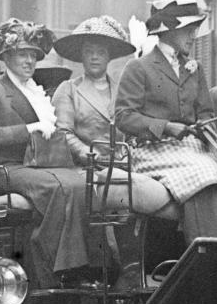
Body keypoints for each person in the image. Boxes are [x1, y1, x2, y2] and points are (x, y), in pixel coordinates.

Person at [0, 18, 91, 282]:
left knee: (81, 184)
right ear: (6, 57)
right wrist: (27, 129)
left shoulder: (34, 92)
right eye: (22, 55)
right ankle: (46, 266)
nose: (29, 61)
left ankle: (77, 264)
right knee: (56, 187)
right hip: (1, 168)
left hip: (35, 165)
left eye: (33, 56)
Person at [112, 0, 217, 241]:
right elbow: (123, 117)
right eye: (188, 30)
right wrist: (167, 128)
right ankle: (208, 257)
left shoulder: (195, 68)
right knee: (206, 174)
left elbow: (205, 113)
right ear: (169, 32)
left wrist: (208, 131)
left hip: (190, 148)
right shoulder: (138, 68)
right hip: (150, 149)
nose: (193, 36)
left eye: (195, 29)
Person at [51, 15, 176, 218]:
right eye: (89, 52)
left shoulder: (123, 90)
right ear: (81, 56)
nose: (94, 57)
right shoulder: (69, 90)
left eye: (100, 52)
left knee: (170, 186)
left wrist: (134, 145)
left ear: (109, 57)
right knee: (145, 191)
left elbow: (133, 127)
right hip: (88, 172)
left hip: (127, 164)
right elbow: (62, 133)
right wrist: (87, 153)